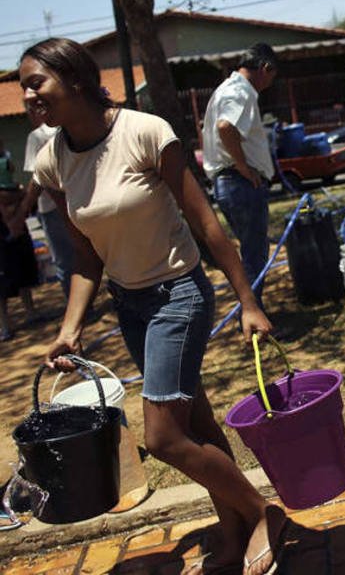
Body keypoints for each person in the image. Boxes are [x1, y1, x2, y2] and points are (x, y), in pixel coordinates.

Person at [20, 38, 286, 575]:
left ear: (74, 79)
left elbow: (206, 224)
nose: (28, 95)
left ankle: (264, 514)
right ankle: (233, 527)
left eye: (36, 82)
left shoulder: (144, 132)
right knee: (199, 424)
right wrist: (70, 329)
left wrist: (248, 300)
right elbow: (84, 256)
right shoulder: (51, 160)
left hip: (178, 295)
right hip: (130, 304)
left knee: (163, 437)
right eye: (23, 87)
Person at [202, 43, 279, 305]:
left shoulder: (226, 89)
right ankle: (254, 315)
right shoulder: (240, 91)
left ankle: (252, 312)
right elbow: (226, 127)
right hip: (240, 182)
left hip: (230, 183)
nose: (269, 83)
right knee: (254, 254)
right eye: (272, 76)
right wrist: (244, 166)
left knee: (251, 252)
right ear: (265, 68)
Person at [22, 107, 73, 297]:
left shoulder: (36, 137)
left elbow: (38, 177)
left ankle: (77, 304)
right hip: (75, 199)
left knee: (63, 259)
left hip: (51, 208)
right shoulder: (65, 130)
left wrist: (25, 206)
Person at [0, 146, 41, 341]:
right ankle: (5, 324)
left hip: (13, 225)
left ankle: (30, 312)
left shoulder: (5, 160)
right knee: (3, 277)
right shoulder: (6, 162)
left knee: (22, 268)